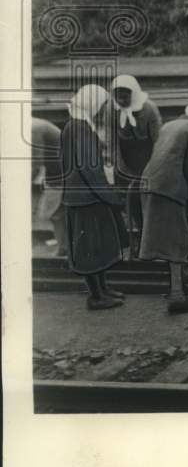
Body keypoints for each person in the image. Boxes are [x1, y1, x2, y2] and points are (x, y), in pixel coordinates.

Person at [139, 93, 188, 314]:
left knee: (168, 238)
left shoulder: (172, 125)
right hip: (169, 187)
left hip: (149, 183)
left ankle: (180, 279)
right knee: (177, 240)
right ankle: (177, 296)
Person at [60, 85, 128, 310]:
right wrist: (110, 196)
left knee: (97, 245)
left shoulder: (76, 124)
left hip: (82, 194)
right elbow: (89, 169)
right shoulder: (80, 128)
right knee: (90, 248)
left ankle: (103, 289)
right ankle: (96, 296)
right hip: (85, 197)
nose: (101, 111)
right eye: (100, 106)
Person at [107, 74, 162, 254]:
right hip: (125, 158)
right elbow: (111, 139)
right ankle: (140, 235)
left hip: (146, 156)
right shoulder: (111, 109)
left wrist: (153, 167)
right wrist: (119, 165)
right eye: (118, 97)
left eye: (125, 96)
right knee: (131, 201)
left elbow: (158, 140)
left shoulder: (149, 109)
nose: (122, 101)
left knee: (148, 198)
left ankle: (152, 238)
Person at [31, 116, 66, 255]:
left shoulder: (33, 129)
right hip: (58, 171)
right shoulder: (34, 125)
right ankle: (64, 248)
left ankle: (64, 249)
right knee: (57, 213)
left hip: (64, 170)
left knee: (56, 212)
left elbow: (36, 164)